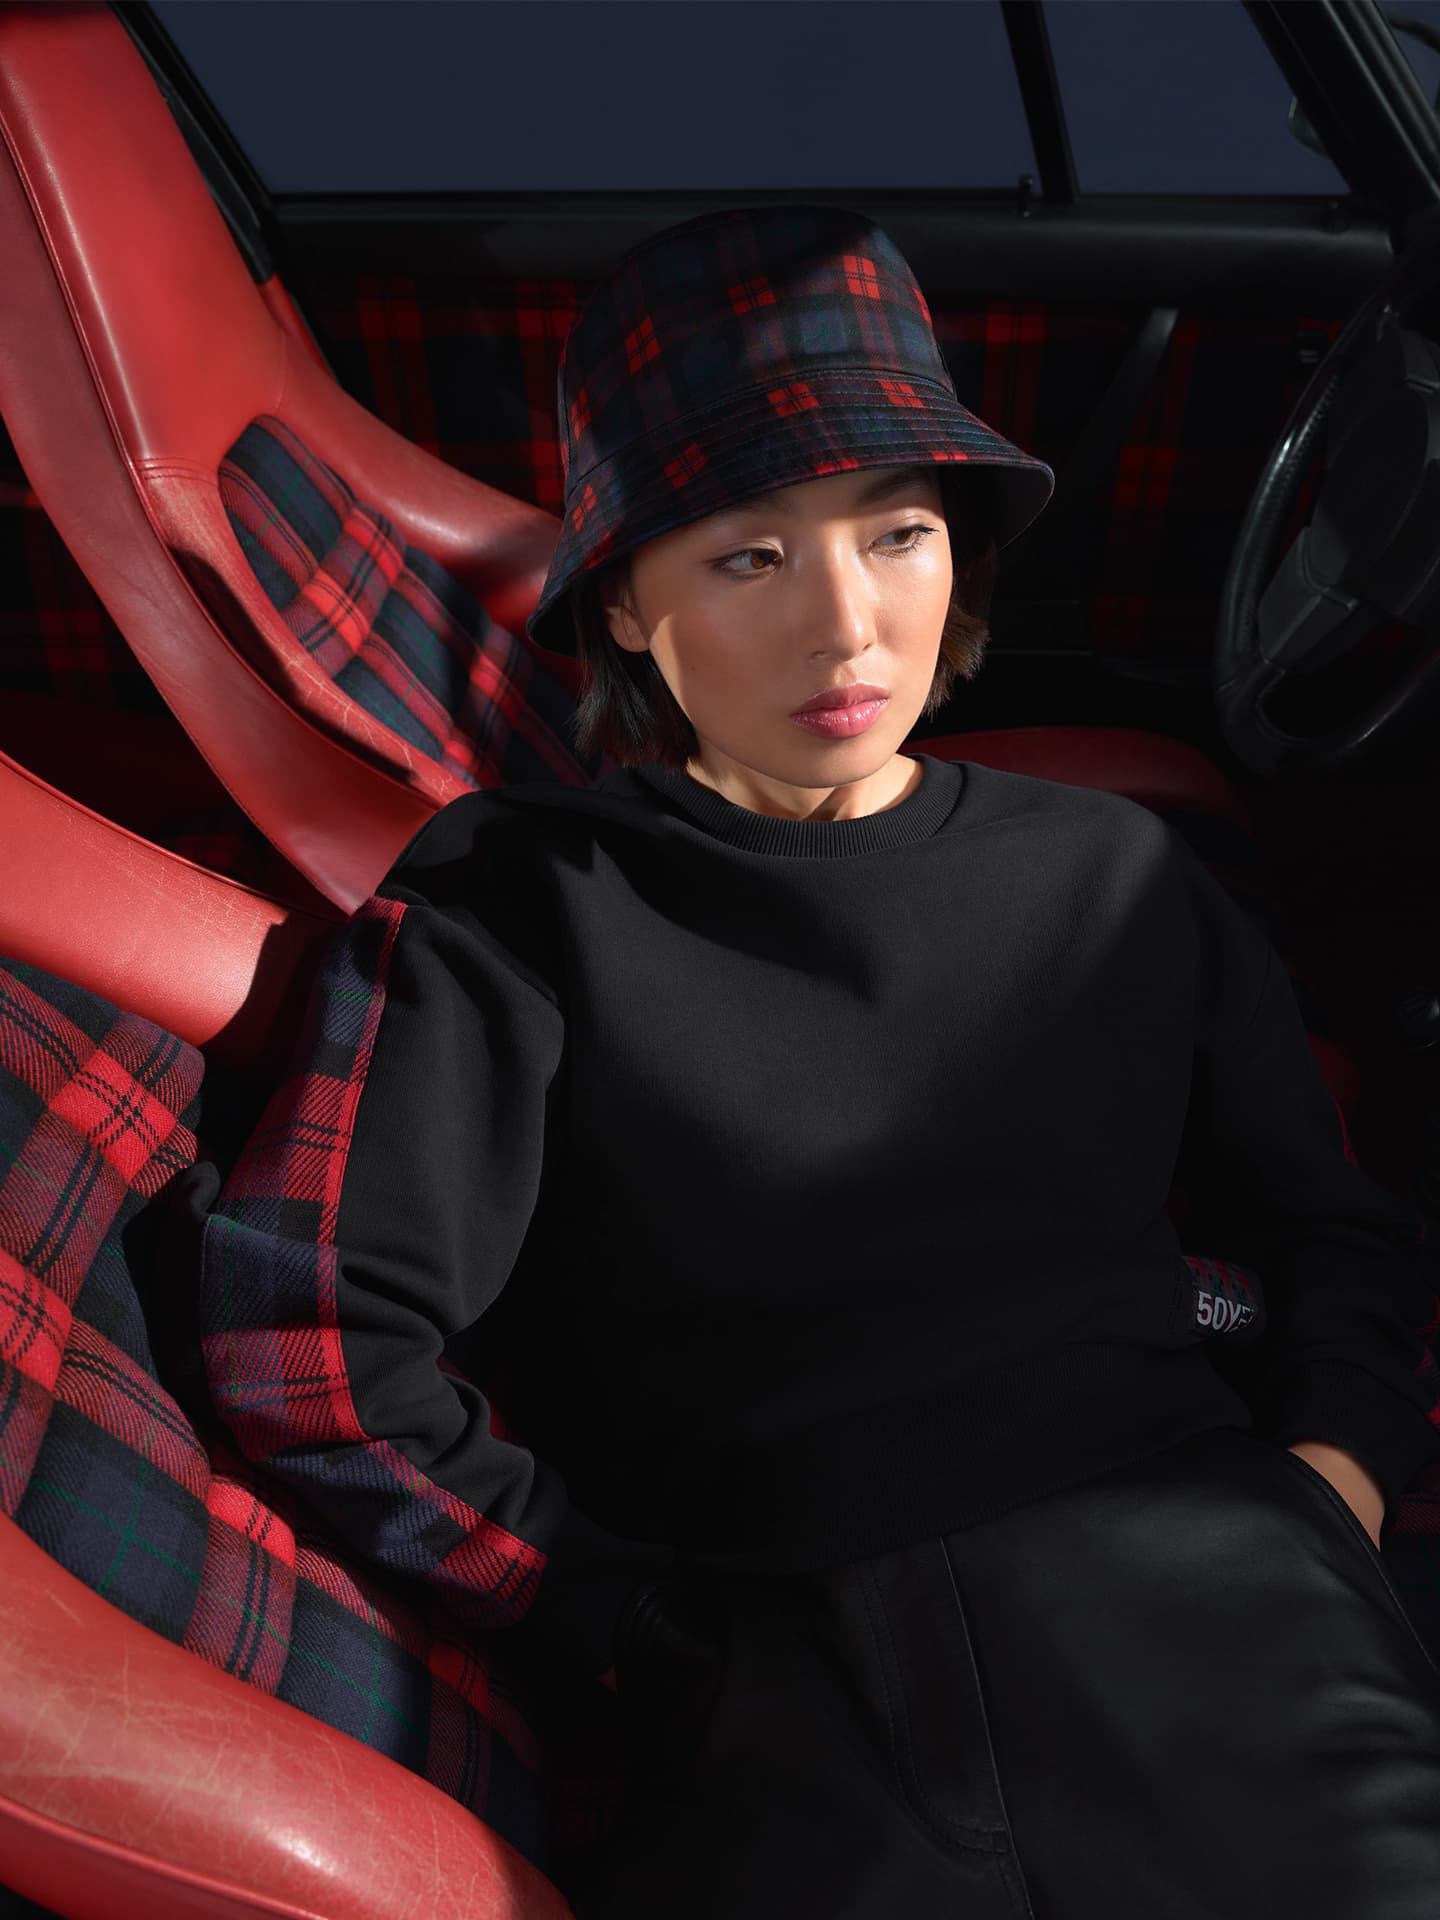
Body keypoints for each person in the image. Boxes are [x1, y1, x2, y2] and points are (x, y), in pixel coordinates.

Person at [182, 202, 1440, 1917]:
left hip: (1204, 1573)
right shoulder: (517, 904)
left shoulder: (1117, 873)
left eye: (898, 534)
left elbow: (1327, 1222)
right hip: (787, 1655)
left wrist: (1334, 1479)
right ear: (630, 608)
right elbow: (308, 1336)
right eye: (749, 559)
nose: (847, 627)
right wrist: (613, 1611)